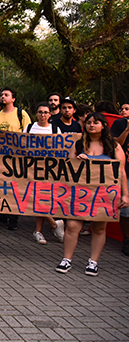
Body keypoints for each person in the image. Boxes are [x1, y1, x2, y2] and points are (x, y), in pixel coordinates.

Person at [55, 112, 129, 276]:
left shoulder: (113, 146)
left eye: (96, 122)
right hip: (80, 193)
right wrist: (78, 161)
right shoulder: (78, 145)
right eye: (89, 122)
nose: (92, 125)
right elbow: (68, 169)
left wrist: (125, 195)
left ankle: (93, 262)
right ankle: (67, 259)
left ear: (103, 125)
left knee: (98, 228)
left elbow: (121, 172)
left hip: (104, 194)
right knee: (73, 226)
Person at [0, 87, 31, 230]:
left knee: (14, 187)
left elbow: (27, 135)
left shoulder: (21, 114)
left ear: (13, 99)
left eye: (6, 95)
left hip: (16, 158)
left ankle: (13, 218)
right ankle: (1, 215)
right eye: (2, 95)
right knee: (0, 187)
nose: (3, 97)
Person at [24, 102, 65, 245]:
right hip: (31, 169)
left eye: (46, 112)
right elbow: (21, 146)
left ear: (50, 114)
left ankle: (39, 231)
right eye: (40, 112)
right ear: (36, 113)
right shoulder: (29, 128)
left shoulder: (55, 129)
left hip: (49, 170)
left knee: (44, 199)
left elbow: (60, 149)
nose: (43, 115)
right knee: (35, 198)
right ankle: (54, 224)